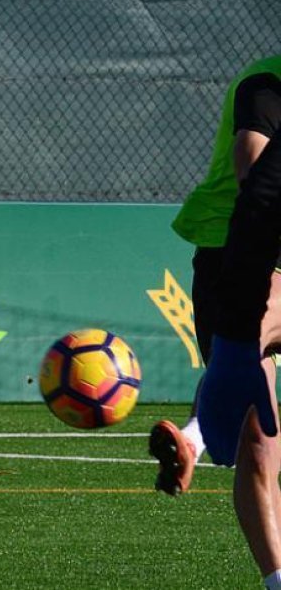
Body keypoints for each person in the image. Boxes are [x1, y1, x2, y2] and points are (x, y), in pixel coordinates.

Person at [167, 54, 281, 588]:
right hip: (234, 248)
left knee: (259, 434)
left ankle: (194, 436)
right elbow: (254, 179)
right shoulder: (266, 86)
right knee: (257, 438)